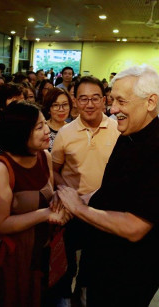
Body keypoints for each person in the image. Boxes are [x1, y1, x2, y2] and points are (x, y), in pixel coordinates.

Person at [57, 65, 159, 306]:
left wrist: (79, 209)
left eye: (121, 101)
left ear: (150, 102)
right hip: (99, 258)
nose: (113, 108)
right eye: (112, 100)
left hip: (127, 274)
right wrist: (85, 198)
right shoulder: (128, 135)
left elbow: (134, 226)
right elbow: (114, 190)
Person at [0, 102, 68, 307]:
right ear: (20, 132)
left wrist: (57, 200)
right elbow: (0, 224)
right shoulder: (1, 167)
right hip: (16, 257)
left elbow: (48, 194)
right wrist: (44, 214)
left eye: (44, 125)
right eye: (39, 127)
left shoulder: (44, 157)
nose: (47, 131)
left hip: (43, 250)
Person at [51, 76, 120, 304]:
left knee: (96, 265)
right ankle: (65, 297)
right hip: (73, 211)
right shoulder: (66, 133)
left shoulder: (118, 129)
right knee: (67, 263)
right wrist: (67, 192)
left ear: (104, 100)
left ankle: (84, 296)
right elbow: (54, 169)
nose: (89, 104)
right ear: (75, 101)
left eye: (95, 98)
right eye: (83, 99)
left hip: (105, 212)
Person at [42, 88, 72, 152]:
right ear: (48, 108)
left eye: (65, 104)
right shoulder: (42, 129)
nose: (61, 109)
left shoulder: (73, 129)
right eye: (55, 105)